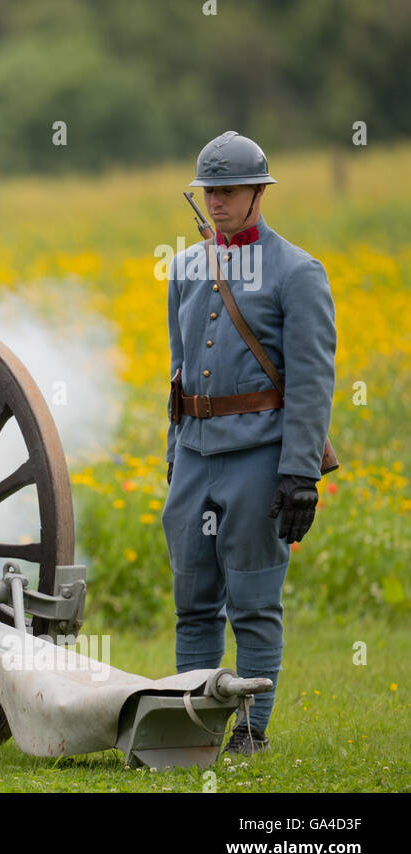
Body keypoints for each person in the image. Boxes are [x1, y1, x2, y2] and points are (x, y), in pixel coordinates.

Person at [162, 132, 336, 756]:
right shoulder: (183, 268)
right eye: (210, 192)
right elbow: (178, 374)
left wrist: (298, 475)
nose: (217, 203)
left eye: (230, 191)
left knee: (254, 605)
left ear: (260, 192)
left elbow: (313, 382)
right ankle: (193, 728)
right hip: (195, 459)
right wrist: (173, 459)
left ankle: (251, 732)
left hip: (261, 461)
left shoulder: (298, 272)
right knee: (193, 605)